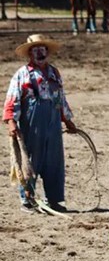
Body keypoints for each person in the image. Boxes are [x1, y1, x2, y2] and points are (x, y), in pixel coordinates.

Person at [3, 35, 77, 213]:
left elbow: (60, 98)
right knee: (30, 160)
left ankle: (54, 199)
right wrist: (11, 122)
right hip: (32, 122)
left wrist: (67, 120)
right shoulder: (22, 74)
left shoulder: (54, 73)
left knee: (54, 161)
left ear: (47, 52)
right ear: (30, 53)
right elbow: (12, 100)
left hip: (52, 123)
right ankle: (28, 200)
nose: (40, 53)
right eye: (35, 50)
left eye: (42, 49)